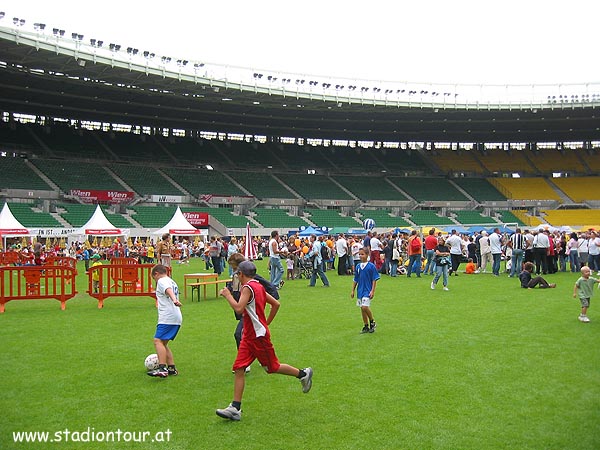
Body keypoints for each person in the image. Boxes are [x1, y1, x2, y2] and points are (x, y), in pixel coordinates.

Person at [217, 261, 313, 421]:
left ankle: (303, 374)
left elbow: (239, 309)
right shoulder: (258, 286)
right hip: (249, 335)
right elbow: (276, 303)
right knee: (239, 368)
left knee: (272, 367)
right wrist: (266, 322)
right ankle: (235, 407)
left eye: (237, 274)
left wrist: (227, 295)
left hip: (258, 337)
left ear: (241, 274)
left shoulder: (247, 288)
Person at [147, 264, 182, 378]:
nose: (155, 281)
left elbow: (168, 290)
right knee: (163, 343)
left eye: (154, 278)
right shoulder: (171, 281)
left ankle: (162, 368)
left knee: (157, 341)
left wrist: (174, 300)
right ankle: (171, 368)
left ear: (156, 273)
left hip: (168, 316)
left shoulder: (162, 281)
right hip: (176, 316)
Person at [351, 248, 380, 333]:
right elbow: (356, 279)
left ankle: (372, 321)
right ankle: (366, 325)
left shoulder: (371, 266)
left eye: (362, 254)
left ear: (367, 255)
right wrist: (352, 290)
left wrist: (372, 291)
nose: (360, 256)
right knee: (362, 309)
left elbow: (374, 279)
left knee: (365, 307)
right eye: (359, 254)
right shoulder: (358, 266)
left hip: (367, 290)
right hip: (360, 290)